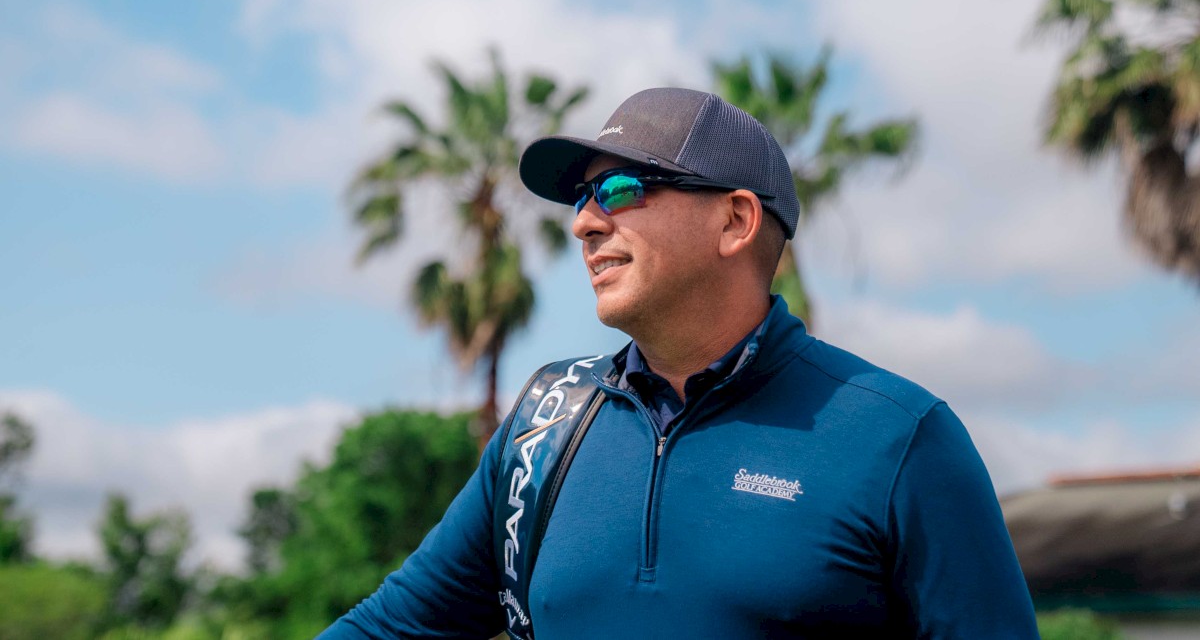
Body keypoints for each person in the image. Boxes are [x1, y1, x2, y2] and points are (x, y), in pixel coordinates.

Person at [318, 87, 1038, 639]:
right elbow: (395, 627)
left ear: (735, 221)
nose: (585, 222)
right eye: (580, 198)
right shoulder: (548, 422)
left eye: (622, 190)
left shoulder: (900, 439)